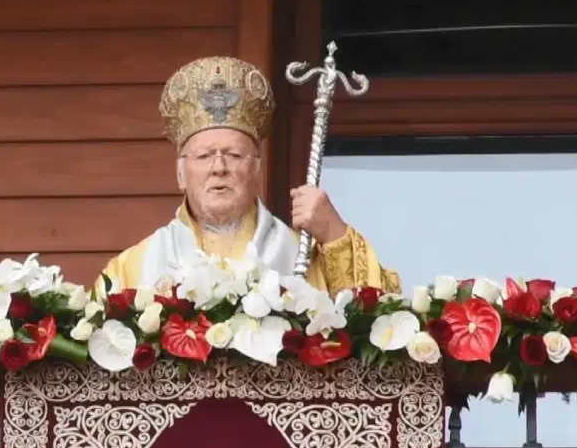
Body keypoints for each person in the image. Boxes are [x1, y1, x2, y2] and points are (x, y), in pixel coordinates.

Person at [99, 56, 399, 294]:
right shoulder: (131, 270)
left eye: (234, 155)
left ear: (256, 169)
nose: (219, 167)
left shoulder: (299, 257)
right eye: (204, 156)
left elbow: (379, 317)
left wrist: (334, 234)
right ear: (180, 174)